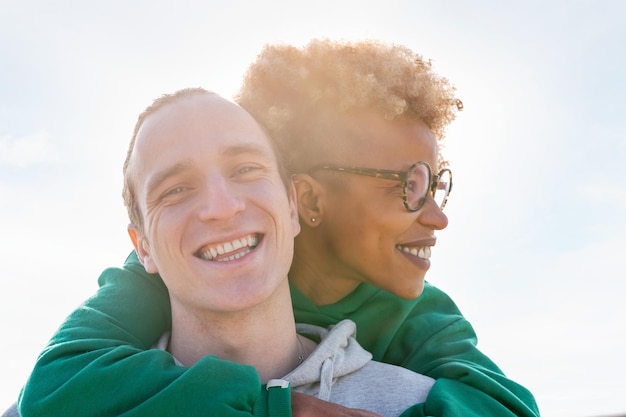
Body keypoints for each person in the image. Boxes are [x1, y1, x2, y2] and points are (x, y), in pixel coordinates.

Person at [18, 39, 540, 417]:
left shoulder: (415, 318)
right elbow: (56, 379)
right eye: (410, 183)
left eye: (247, 170)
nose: (437, 215)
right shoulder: (141, 287)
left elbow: (504, 405)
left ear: (292, 204)